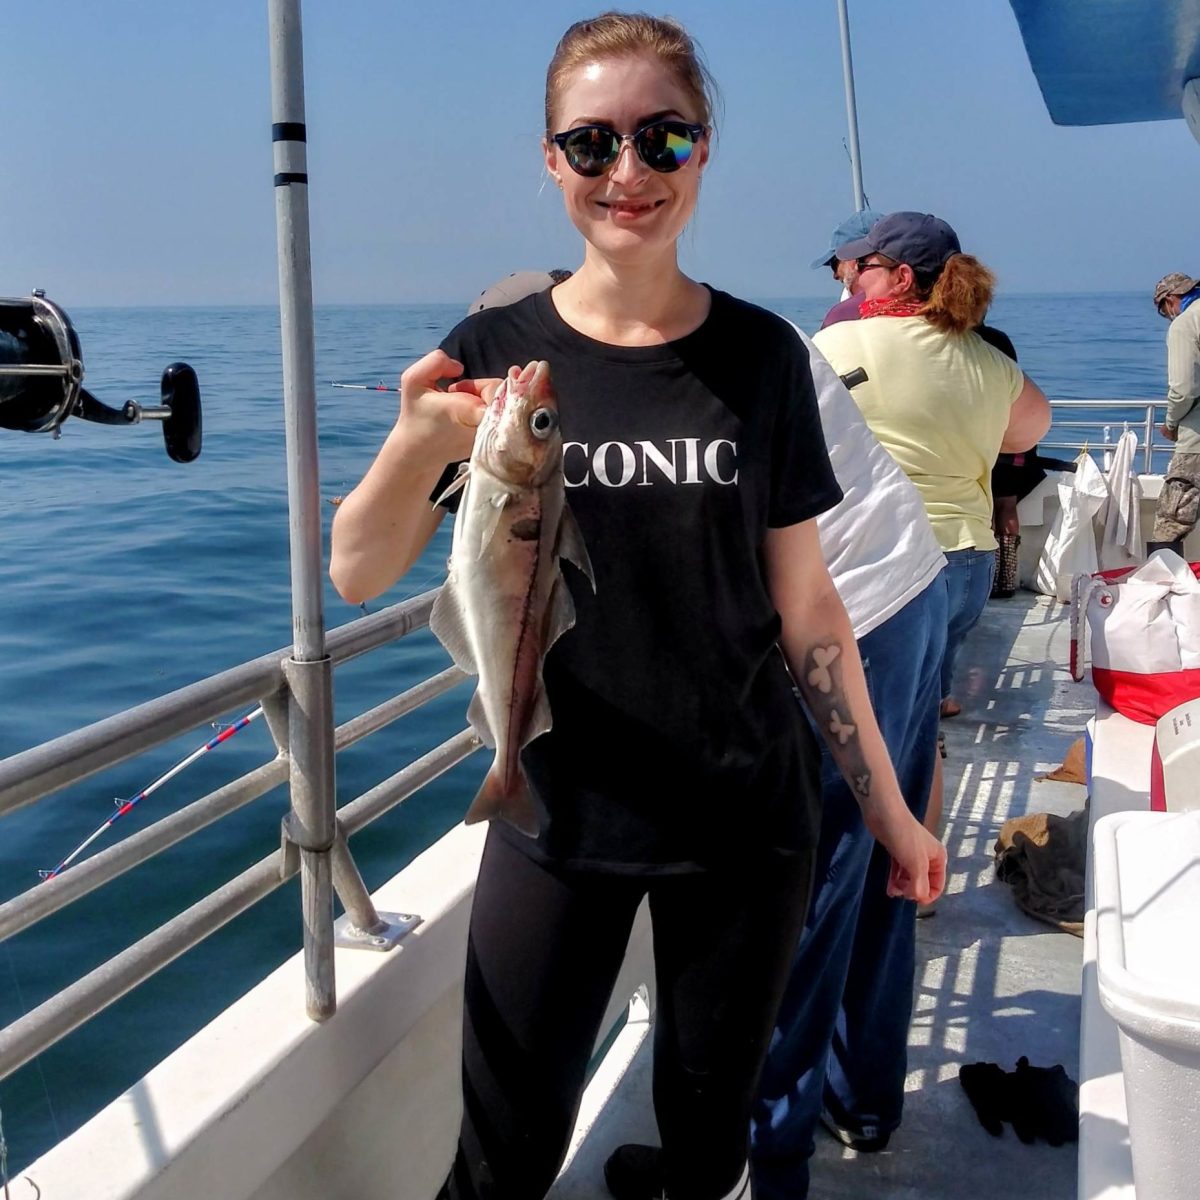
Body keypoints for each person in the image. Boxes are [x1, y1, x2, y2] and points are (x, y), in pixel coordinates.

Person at [329, 15, 945, 1200]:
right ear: (550, 160)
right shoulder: (497, 353)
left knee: (709, 1151)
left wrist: (890, 813)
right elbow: (359, 572)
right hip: (555, 812)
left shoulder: (765, 356)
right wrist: (414, 438)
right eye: (593, 142)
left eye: (663, 139)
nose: (630, 173)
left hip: (745, 825)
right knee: (502, 1157)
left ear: (703, 153)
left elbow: (810, 610)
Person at [749, 330, 948, 1200]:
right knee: (877, 878)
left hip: (846, 624)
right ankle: (865, 1103)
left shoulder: (710, 362)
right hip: (909, 585)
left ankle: (765, 1160)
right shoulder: (765, 332)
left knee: (803, 907)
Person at [813, 212, 1051, 722]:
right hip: (968, 568)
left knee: (873, 728)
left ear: (900, 277)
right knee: (923, 712)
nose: (854, 275)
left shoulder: (837, 344)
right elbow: (1030, 430)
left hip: (886, 561)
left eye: (867, 265)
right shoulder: (991, 360)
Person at [1148, 271, 1200, 556]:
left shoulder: (1186, 322)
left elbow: (1184, 388)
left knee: (1172, 518)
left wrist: (1170, 424)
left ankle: (1163, 592)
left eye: (1163, 311)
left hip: (1197, 440)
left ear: (1170, 300)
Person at [808, 209, 881, 330]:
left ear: (855, 258)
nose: (835, 275)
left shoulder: (842, 316)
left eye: (834, 263)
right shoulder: (921, 302)